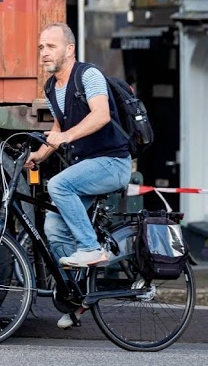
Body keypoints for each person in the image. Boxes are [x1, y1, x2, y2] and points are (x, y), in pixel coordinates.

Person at [25, 23, 131, 326]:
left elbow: (101, 115)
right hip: (86, 167)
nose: (44, 53)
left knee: (59, 184)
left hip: (112, 163)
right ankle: (81, 296)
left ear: (69, 49)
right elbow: (58, 129)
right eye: (41, 47)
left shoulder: (89, 75)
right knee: (54, 228)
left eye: (51, 47)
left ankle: (90, 248)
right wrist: (39, 155)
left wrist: (67, 136)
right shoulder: (51, 87)